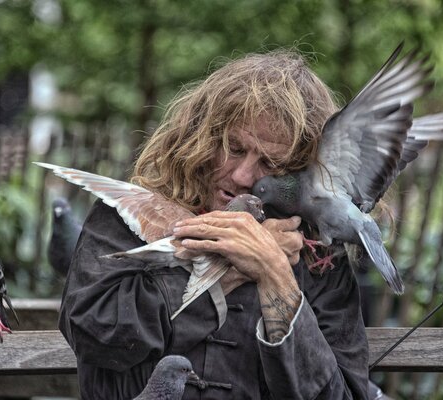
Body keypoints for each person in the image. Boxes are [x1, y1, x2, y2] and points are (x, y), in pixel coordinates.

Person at [59, 50, 370, 399]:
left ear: (299, 173)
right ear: (201, 138)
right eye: (233, 148)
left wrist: (275, 276)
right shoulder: (128, 217)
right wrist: (225, 271)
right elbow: (90, 334)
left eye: (269, 163)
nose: (242, 176)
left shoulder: (318, 258)